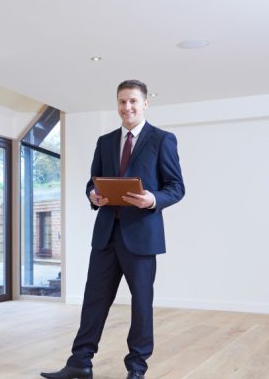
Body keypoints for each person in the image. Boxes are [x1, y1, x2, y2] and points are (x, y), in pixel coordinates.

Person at [40, 80, 185, 379]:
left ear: (145, 103)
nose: (127, 107)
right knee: (94, 300)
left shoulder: (162, 140)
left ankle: (136, 369)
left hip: (142, 237)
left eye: (133, 101)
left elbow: (176, 187)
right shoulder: (105, 141)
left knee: (141, 305)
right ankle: (80, 363)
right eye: (121, 101)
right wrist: (93, 195)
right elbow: (93, 182)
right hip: (106, 234)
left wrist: (152, 199)